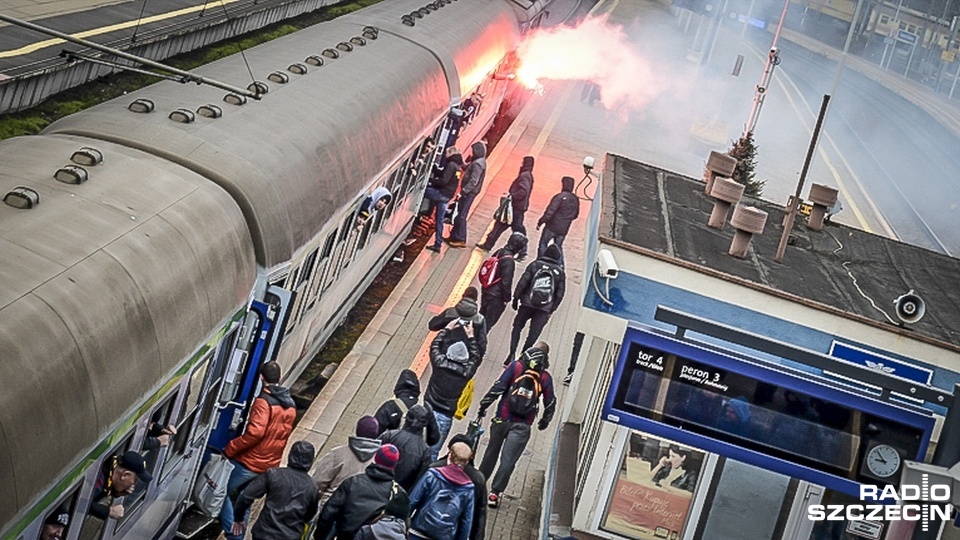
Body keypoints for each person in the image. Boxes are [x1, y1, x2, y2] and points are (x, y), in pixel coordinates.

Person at [221, 361, 297, 540]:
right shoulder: (291, 405)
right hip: (270, 464)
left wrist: (230, 448)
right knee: (245, 498)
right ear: (279, 378)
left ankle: (233, 534)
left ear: (261, 378)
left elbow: (255, 433)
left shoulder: (264, 402)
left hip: (250, 463)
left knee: (220, 489)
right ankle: (240, 532)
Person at [477, 342, 556, 508]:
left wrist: (484, 405)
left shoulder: (516, 366)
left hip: (502, 418)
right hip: (523, 424)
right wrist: (544, 422)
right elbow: (550, 403)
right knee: (508, 460)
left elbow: (499, 387)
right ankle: (494, 493)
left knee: (491, 452)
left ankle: (478, 486)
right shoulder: (545, 377)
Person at [232, 440, 320, 540]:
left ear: (290, 455)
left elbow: (245, 496)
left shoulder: (274, 474)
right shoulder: (312, 487)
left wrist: (238, 518)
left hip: (264, 533)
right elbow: (309, 515)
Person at [314, 444, 405, 540]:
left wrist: (320, 535)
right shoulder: (398, 494)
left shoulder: (353, 482)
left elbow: (329, 511)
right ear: (394, 465)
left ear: (376, 457)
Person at [423, 323, 482, 460]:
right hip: (445, 416)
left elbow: (435, 345)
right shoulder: (466, 372)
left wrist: (447, 329)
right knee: (433, 452)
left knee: (417, 444)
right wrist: (471, 336)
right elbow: (476, 357)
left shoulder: (439, 363)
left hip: (427, 410)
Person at [506, 243, 565, 364]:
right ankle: (523, 357)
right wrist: (551, 310)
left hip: (527, 304)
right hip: (544, 309)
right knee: (533, 334)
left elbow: (523, 282)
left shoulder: (535, 265)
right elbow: (559, 295)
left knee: (517, 327)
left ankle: (511, 354)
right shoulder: (560, 272)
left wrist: (516, 298)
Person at [408, 442, 476, 540]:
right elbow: (466, 522)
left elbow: (413, 500)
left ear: (449, 455)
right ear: (466, 462)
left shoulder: (432, 475)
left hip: (418, 531)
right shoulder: (468, 489)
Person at [314, 416, 383, 505]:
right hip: (358, 511)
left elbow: (318, 481)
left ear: (357, 430)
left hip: (330, 505)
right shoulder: (379, 460)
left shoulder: (337, 453)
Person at [429, 435, 487, 540]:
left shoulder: (433, 469)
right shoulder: (478, 479)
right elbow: (479, 515)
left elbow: (416, 498)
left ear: (450, 452)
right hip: (453, 532)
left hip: (426, 525)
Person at [476, 156, 535, 259]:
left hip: (515, 208)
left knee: (503, 226)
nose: (521, 164)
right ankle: (489, 245)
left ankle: (489, 245)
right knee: (510, 227)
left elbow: (523, 191)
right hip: (518, 208)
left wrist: (513, 195)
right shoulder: (528, 175)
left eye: (523, 162)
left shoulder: (525, 176)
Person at [374, 370, 440, 446]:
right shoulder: (426, 407)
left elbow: (374, 432)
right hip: (417, 453)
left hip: (392, 453)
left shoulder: (390, 406)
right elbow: (434, 438)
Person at [380, 405, 436, 492]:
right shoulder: (425, 451)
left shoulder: (389, 435)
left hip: (379, 483)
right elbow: (419, 481)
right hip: (398, 493)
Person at [478, 232, 526, 332]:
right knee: (488, 322)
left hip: (487, 289)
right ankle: (477, 342)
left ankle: (472, 337)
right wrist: (507, 298)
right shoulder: (509, 261)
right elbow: (506, 282)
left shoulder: (499, 251)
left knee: (481, 317)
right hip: (496, 296)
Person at [88, 450, 153, 520]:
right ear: (125, 475)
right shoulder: (98, 481)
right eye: (135, 480)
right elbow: (80, 502)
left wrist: (116, 492)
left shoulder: (109, 464)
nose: (133, 484)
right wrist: (109, 511)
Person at [428, 286, 488, 357]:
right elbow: (482, 343)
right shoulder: (480, 320)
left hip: (444, 352)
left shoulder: (450, 312)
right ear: (476, 299)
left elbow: (432, 325)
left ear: (463, 296)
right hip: (465, 355)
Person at [447, 141, 487, 247]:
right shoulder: (478, 161)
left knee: (462, 215)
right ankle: (454, 236)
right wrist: (460, 159)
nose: (472, 153)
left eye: (473, 151)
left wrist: (463, 191)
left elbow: (474, 181)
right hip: (469, 192)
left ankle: (461, 239)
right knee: (459, 214)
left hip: (469, 193)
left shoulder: (478, 164)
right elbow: (466, 167)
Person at [424, 146, 464, 253]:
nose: (445, 155)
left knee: (423, 191)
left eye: (446, 153)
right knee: (439, 220)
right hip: (447, 196)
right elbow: (446, 176)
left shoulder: (451, 164)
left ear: (450, 154)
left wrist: (430, 180)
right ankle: (437, 244)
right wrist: (436, 170)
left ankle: (419, 211)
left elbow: (443, 181)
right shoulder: (456, 166)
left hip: (442, 194)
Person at [535, 175, 580, 265]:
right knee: (558, 246)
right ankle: (560, 265)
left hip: (552, 226)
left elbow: (550, 212)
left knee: (543, 244)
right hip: (564, 228)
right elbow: (575, 215)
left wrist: (541, 222)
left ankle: (540, 262)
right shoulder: (575, 199)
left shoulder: (559, 197)